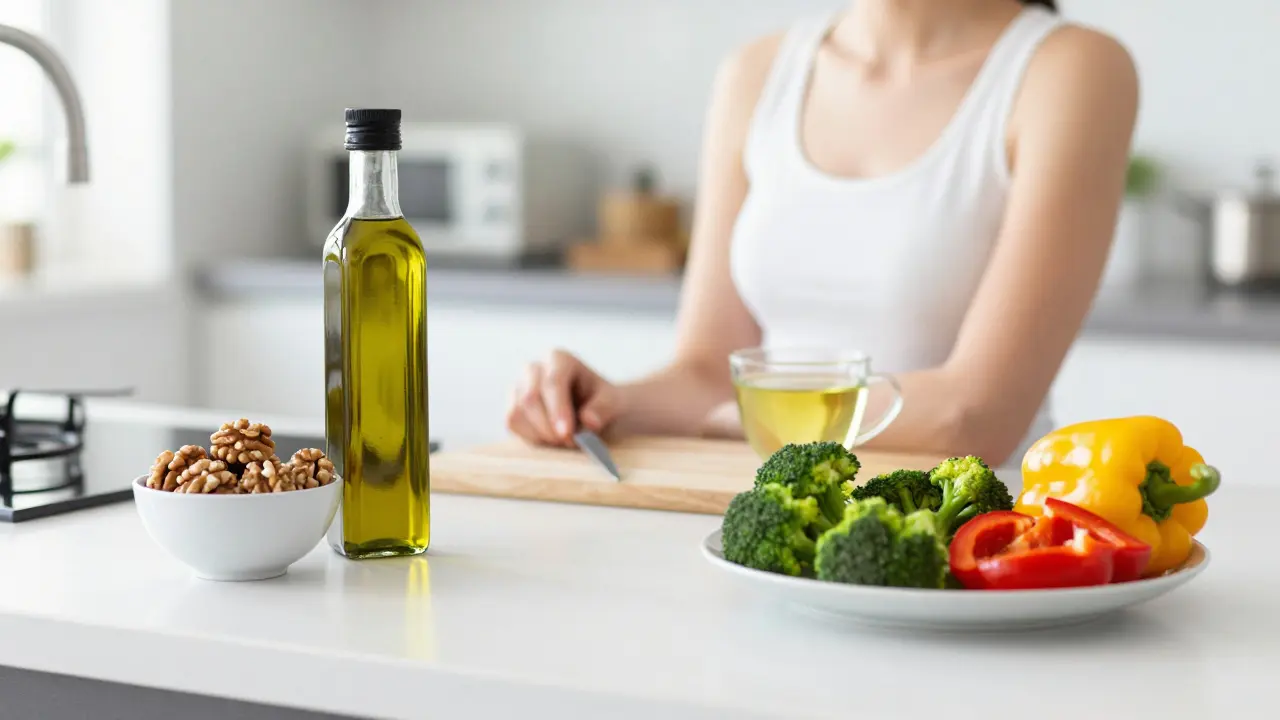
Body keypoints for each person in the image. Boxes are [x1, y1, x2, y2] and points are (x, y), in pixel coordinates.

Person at [506, 0, 1139, 469]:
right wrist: (605, 402)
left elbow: (972, 416)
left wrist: (749, 422)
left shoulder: (1070, 68)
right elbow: (707, 372)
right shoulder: (756, 73)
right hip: (767, 519)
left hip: (973, 542)